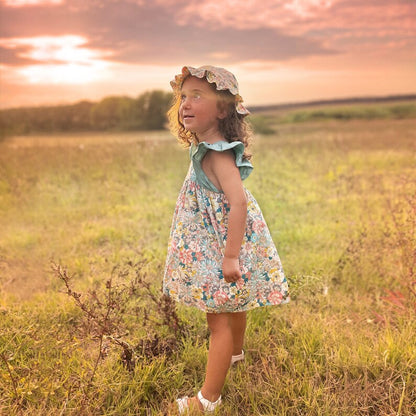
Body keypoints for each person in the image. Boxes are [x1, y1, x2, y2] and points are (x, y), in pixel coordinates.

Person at [163, 65, 289, 413]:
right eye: (183, 97)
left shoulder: (217, 152)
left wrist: (231, 256)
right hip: (218, 238)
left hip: (224, 243)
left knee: (217, 318)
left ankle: (207, 399)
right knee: (235, 304)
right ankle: (235, 353)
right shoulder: (206, 146)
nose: (186, 104)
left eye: (197, 96)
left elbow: (239, 201)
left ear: (222, 109)